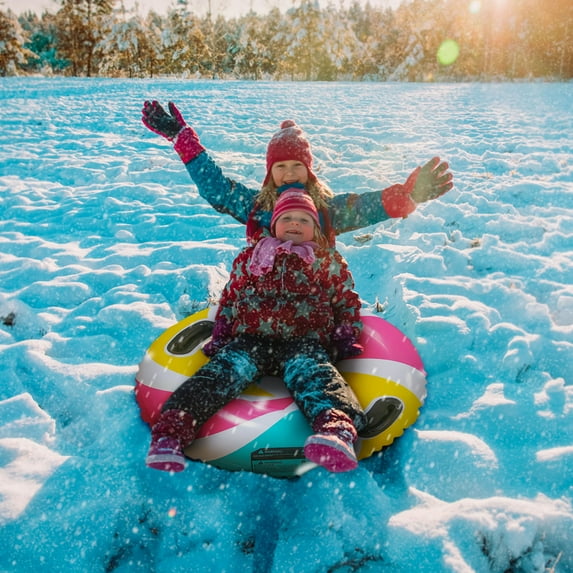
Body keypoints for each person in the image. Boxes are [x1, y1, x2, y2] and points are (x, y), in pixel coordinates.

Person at [146, 189, 367, 474]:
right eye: (287, 218)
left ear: (315, 228)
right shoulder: (252, 257)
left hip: (304, 341)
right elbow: (232, 295)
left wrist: (346, 332)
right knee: (218, 374)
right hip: (251, 339)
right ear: (273, 225)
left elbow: (346, 299)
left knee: (318, 377)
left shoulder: (325, 260)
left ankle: (336, 430)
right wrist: (223, 329)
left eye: (304, 219)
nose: (295, 223)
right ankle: (172, 431)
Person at [141, 101, 453, 246]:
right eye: (281, 167)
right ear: (270, 173)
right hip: (264, 298)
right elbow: (217, 189)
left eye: (296, 166)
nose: (289, 173)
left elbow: (364, 207)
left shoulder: (325, 209)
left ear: (309, 170)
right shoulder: (256, 207)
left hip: (314, 299)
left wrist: (405, 197)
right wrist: (182, 140)